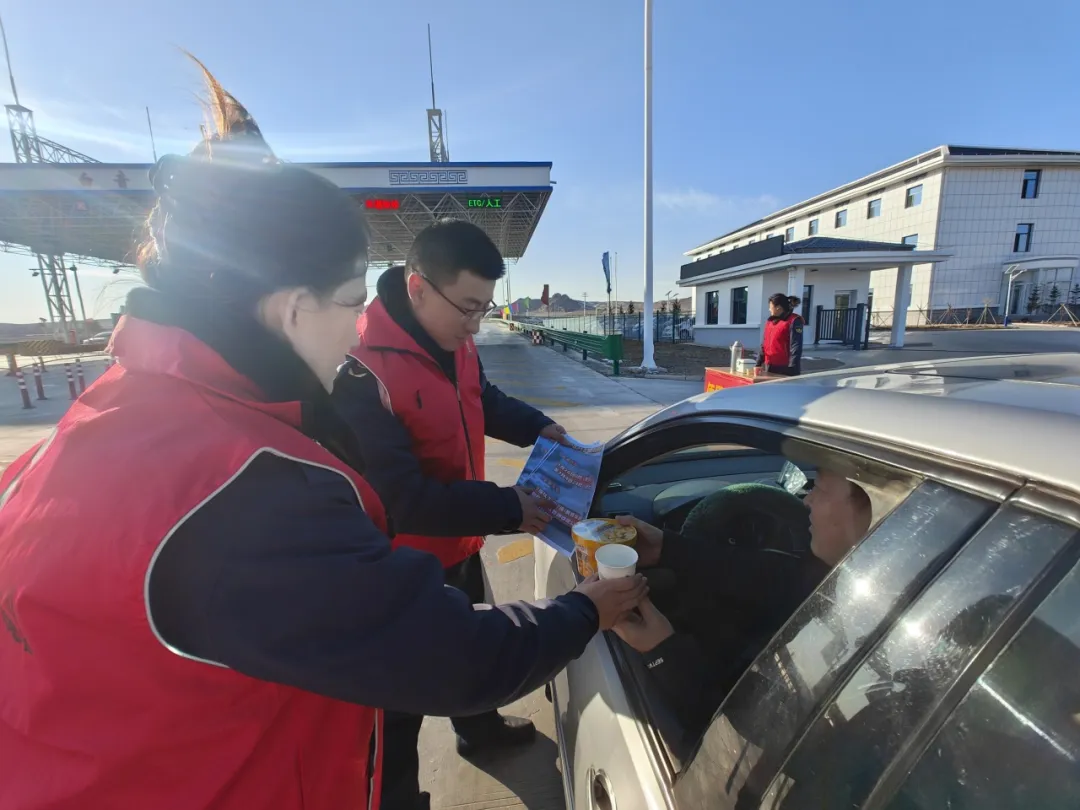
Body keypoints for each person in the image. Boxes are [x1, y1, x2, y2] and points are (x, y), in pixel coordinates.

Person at [0, 63, 648, 810]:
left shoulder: (103, 417)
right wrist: (585, 608)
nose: (354, 330)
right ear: (290, 307)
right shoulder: (247, 489)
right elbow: (456, 657)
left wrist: (535, 430)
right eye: (347, 302)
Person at [332, 219, 568, 810]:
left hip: (460, 540)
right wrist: (508, 508)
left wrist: (539, 428)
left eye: (484, 309)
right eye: (467, 308)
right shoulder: (359, 369)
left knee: (473, 651)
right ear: (417, 288)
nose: (475, 325)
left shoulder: (458, 342)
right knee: (399, 703)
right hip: (399, 565)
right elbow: (400, 497)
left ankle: (479, 730)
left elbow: (483, 401)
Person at [612, 467, 873, 734]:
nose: (807, 500)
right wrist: (666, 548)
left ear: (868, 513)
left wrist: (661, 652)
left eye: (821, 491)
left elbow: (747, 733)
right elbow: (765, 577)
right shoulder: (836, 582)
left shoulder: (858, 627)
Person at [757, 293, 804, 376]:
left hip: (785, 368)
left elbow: (796, 346)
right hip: (769, 366)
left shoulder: (794, 321)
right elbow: (764, 344)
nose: (769, 309)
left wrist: (792, 368)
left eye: (770, 307)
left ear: (778, 307)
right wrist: (758, 363)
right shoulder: (770, 322)